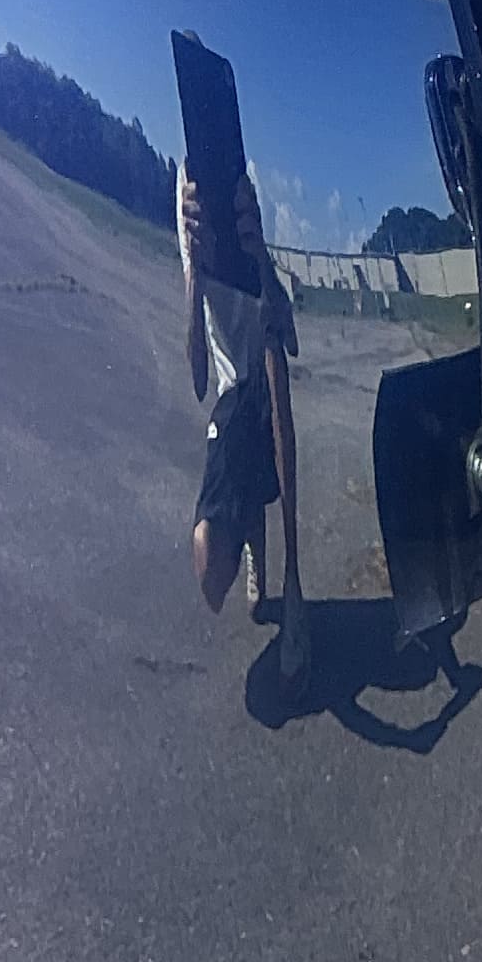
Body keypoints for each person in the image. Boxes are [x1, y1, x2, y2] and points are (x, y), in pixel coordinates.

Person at [179, 161, 308, 686]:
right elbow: (198, 379)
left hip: (269, 386)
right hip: (231, 394)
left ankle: (293, 588)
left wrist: (260, 258)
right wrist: (193, 268)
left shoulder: (243, 180)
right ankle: (252, 530)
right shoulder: (187, 194)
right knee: (212, 574)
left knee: (274, 366)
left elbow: (290, 340)